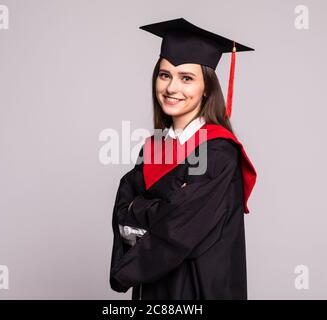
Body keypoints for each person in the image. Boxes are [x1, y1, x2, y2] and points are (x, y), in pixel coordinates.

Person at [109, 18, 257, 300]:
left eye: (186, 78)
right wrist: (160, 210)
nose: (171, 88)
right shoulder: (153, 148)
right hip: (152, 289)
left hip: (197, 288)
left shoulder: (218, 153)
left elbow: (177, 230)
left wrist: (138, 208)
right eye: (165, 75)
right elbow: (122, 211)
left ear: (208, 88)